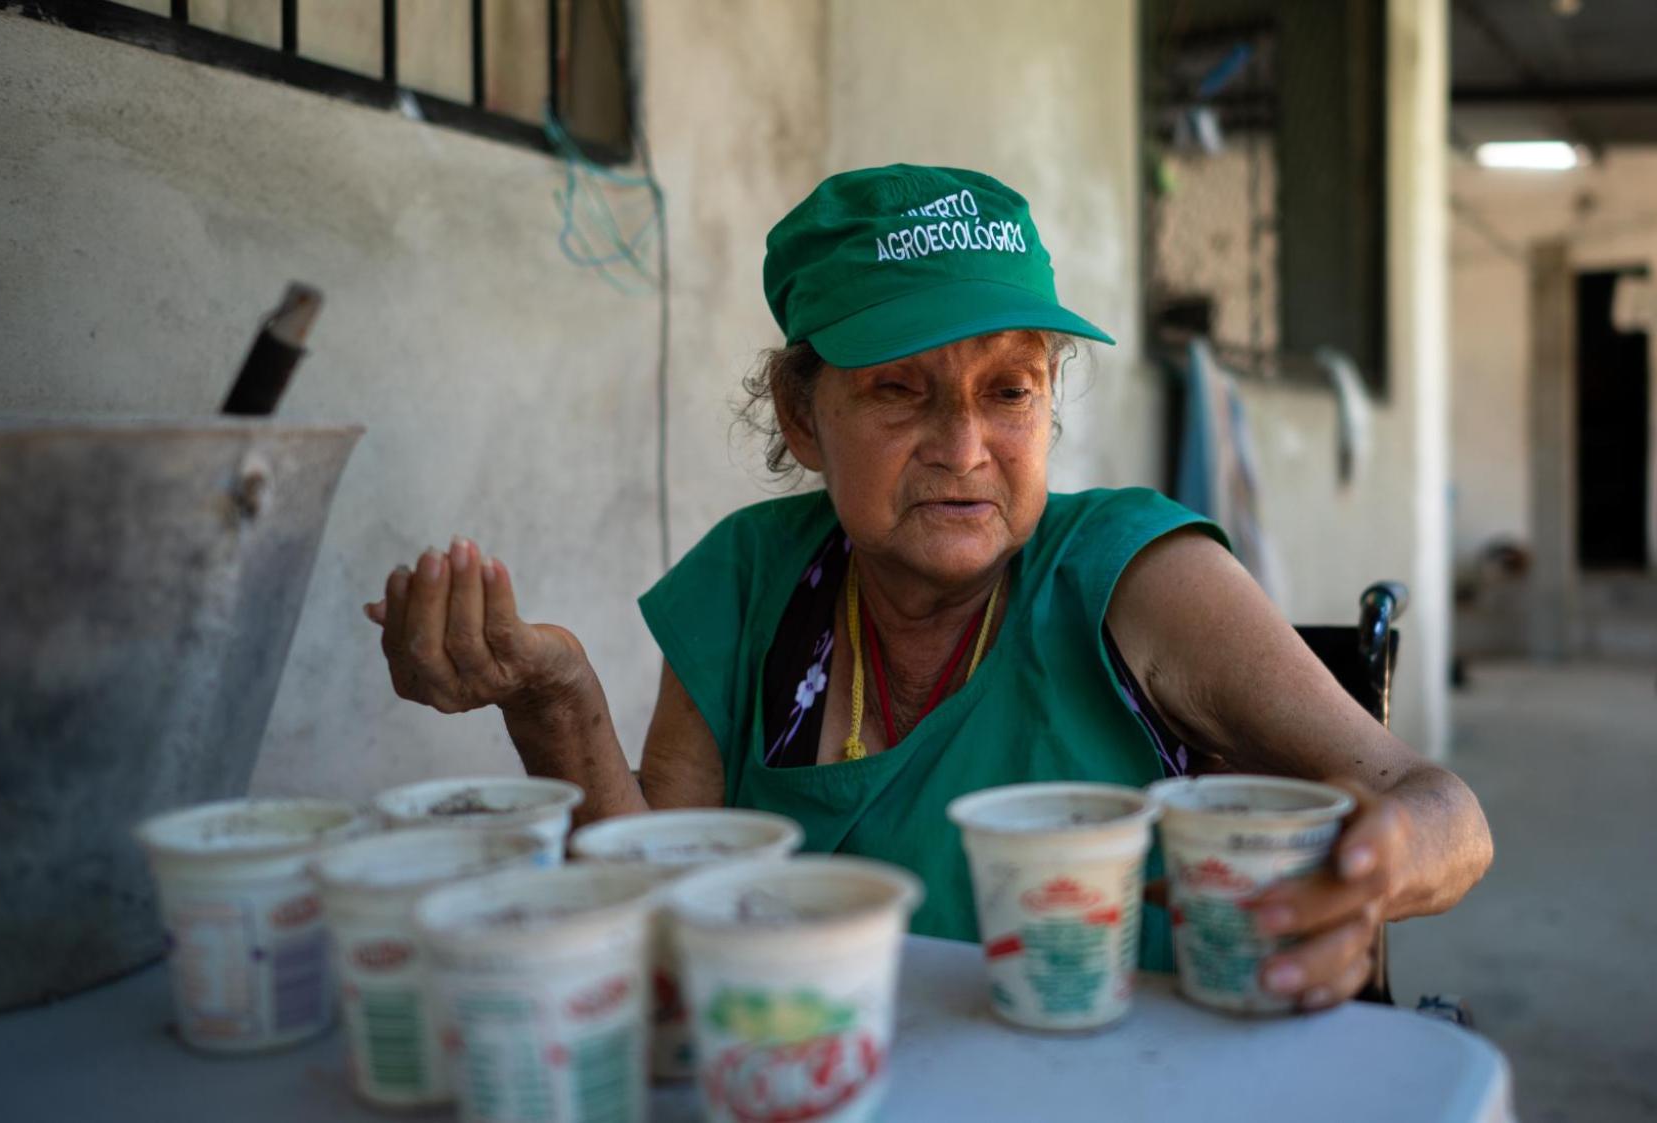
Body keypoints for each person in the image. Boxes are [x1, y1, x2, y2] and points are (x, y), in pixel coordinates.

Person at [365, 164, 1492, 1011]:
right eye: (900, 392)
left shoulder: (1135, 575)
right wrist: (555, 705)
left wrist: (1368, 867)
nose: (963, 446)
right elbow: (650, 919)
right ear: (805, 418)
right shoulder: (751, 580)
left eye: (1009, 391)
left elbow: (1441, 808)